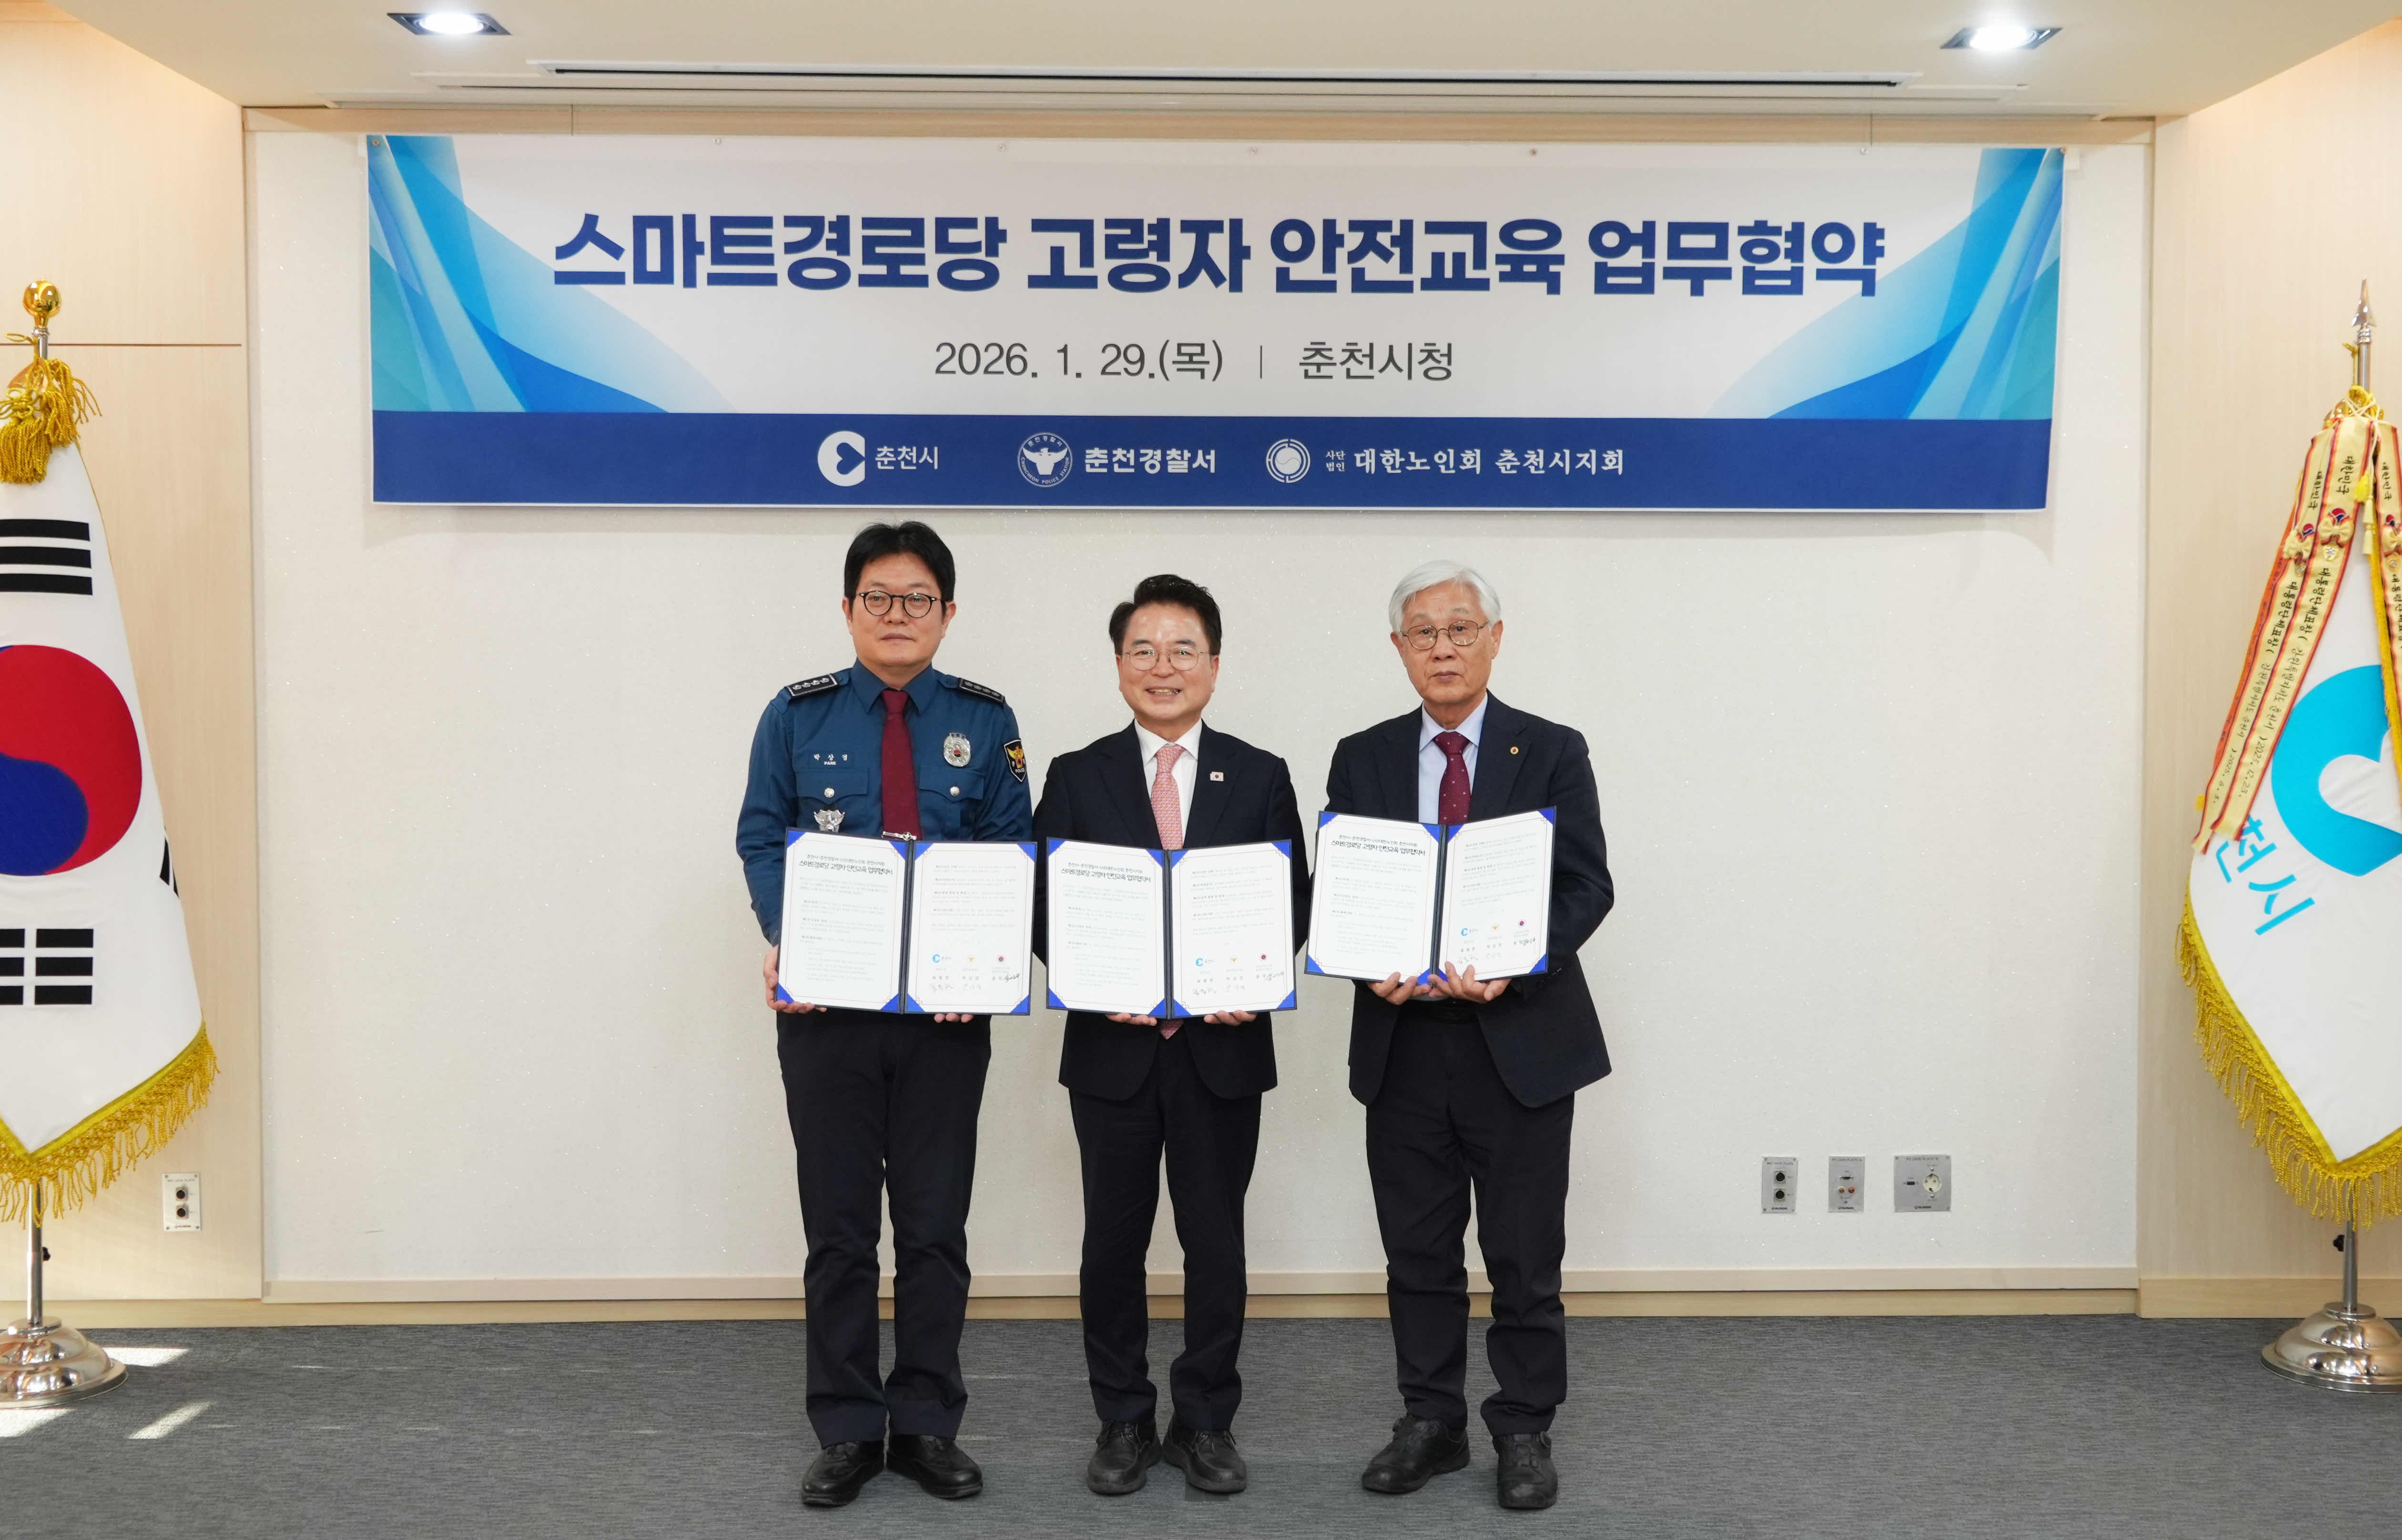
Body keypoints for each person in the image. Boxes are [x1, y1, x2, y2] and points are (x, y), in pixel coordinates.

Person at [734, 520, 1032, 1508]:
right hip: (830, 1014)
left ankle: (930, 1423)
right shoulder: (797, 714)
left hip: (946, 1018)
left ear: (948, 613)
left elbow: (1010, 848)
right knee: (840, 1229)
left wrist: (979, 969)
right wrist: (793, 938)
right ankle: (850, 1428)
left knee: (936, 1227)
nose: (897, 614)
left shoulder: (987, 720)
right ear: (848, 607)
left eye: (917, 599)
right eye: (878, 597)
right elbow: (763, 835)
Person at [1324, 560, 1615, 1512]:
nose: (1442, 647)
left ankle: (1523, 1426)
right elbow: (1346, 892)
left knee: (1524, 1255)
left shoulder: (1553, 750)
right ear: (1398, 647)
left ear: (1495, 638)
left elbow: (1586, 886)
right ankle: (1431, 1420)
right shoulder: (1362, 756)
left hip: (1520, 1038)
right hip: (1404, 1041)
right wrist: (1364, 961)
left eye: (1460, 629)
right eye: (1424, 632)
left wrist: (1515, 962)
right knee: (1418, 1251)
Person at [1031, 574, 1311, 1498]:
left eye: (1183, 648)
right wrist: (1097, 979)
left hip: (1220, 1051)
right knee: (1111, 1244)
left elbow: (1292, 901)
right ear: (1119, 666)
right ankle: (1121, 1417)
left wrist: (1251, 979)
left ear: (1214, 666)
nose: (1164, 667)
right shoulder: (1076, 774)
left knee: (1216, 1243)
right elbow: (1043, 902)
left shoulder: (1260, 773)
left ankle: (1204, 1420)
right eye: (1143, 649)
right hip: (1110, 1052)